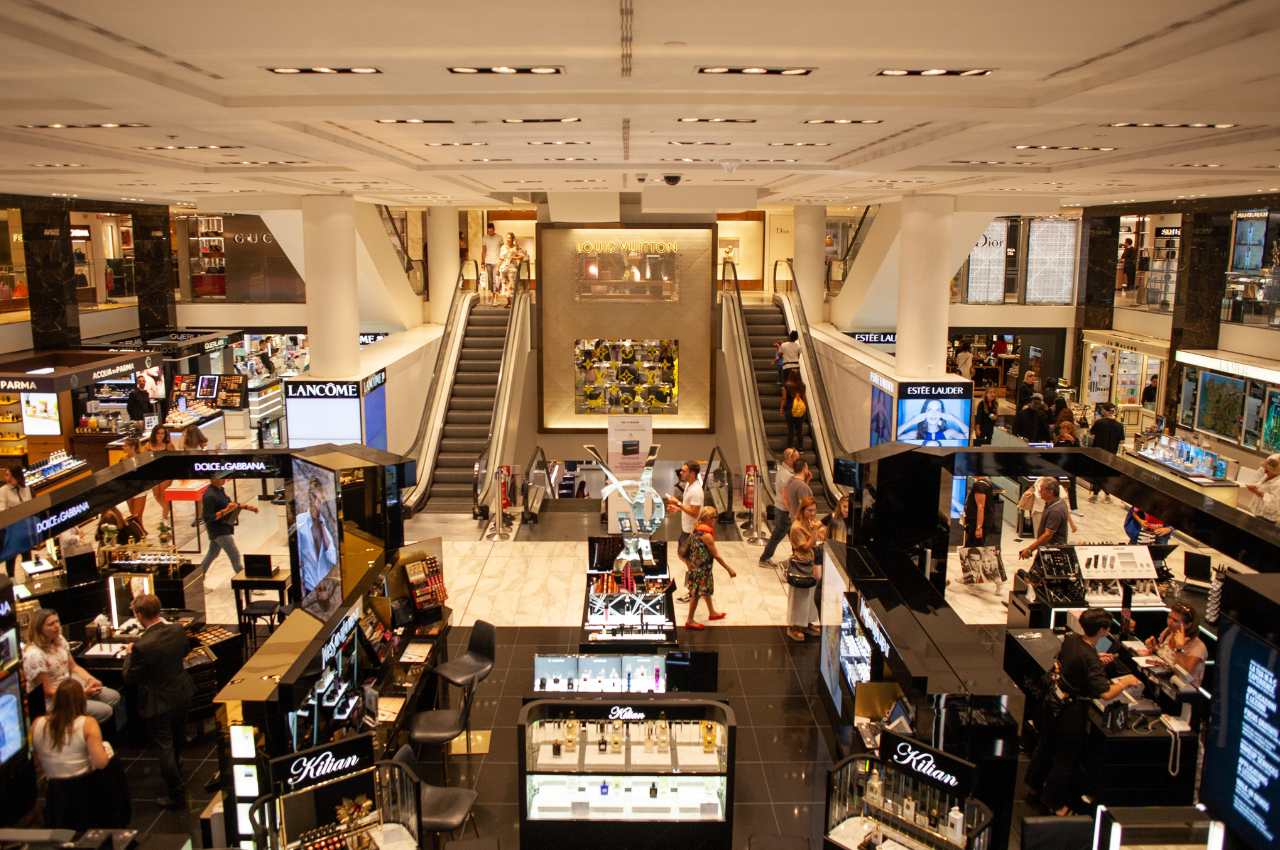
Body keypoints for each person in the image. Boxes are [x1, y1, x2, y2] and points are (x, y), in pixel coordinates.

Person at [1026, 608, 1143, 815]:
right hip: (1071, 712)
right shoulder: (1090, 657)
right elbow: (1106, 693)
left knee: (1045, 745)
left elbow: (1074, 660)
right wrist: (1125, 682)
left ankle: (1034, 786)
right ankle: (1055, 804)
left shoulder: (1073, 640)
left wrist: (1096, 658)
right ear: (1102, 631)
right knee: (1065, 758)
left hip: (1053, 701)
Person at [122, 594, 196, 809]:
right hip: (181, 692)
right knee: (178, 735)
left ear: (139, 616)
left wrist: (128, 654)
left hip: (158, 702)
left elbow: (129, 678)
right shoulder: (177, 629)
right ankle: (177, 765)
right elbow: (185, 652)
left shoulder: (142, 646)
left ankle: (175, 793)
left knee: (164, 746)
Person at [32, 679, 123, 830]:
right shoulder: (87, 723)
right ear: (82, 701)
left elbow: (35, 761)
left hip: (55, 794)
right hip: (83, 792)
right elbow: (101, 763)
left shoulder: (37, 724)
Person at [23, 608, 121, 723]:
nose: (56, 626)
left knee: (113, 697)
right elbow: (47, 692)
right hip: (55, 701)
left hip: (69, 685)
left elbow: (73, 667)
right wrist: (82, 692)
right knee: (106, 711)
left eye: (57, 621)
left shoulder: (59, 639)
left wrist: (91, 679)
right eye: (51, 624)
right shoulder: (34, 655)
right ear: (39, 629)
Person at [683, 505, 736, 629]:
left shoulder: (696, 528)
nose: (716, 520)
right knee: (696, 594)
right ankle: (690, 620)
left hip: (696, 565)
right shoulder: (707, 535)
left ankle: (712, 612)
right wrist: (729, 568)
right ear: (707, 518)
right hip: (701, 568)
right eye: (714, 517)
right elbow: (716, 555)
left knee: (705, 588)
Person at [198, 476, 259, 583]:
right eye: (221, 477)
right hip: (219, 531)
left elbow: (229, 504)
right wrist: (226, 511)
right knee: (235, 556)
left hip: (221, 529)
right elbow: (207, 518)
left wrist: (246, 507)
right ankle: (250, 585)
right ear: (214, 479)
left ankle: (197, 582)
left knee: (212, 554)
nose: (224, 479)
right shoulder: (210, 496)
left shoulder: (219, 490)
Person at [786, 496, 825, 642]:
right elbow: (806, 546)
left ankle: (808, 622)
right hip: (801, 564)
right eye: (810, 510)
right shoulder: (797, 527)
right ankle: (794, 626)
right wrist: (814, 531)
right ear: (803, 510)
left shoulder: (810, 523)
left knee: (810, 596)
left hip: (812, 563)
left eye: (815, 510)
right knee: (799, 598)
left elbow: (822, 537)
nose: (813, 513)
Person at [1143, 603, 1208, 688]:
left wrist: (1180, 648)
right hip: (1159, 682)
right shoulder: (1169, 632)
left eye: (1175, 620)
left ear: (1188, 625)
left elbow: (1182, 677)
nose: (1170, 622)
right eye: (1169, 617)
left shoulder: (1198, 647)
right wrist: (1154, 648)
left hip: (1180, 692)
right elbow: (1164, 656)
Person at [297, 475, 339, 591]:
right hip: (308, 585)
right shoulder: (300, 522)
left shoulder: (326, 524)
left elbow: (333, 559)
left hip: (324, 580)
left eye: (319, 500)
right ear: (309, 496)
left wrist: (321, 525)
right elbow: (298, 558)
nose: (315, 503)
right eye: (313, 497)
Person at [758, 449, 797, 568]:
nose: (798, 460)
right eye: (797, 458)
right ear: (791, 459)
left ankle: (797, 556)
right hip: (784, 511)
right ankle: (764, 559)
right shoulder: (786, 474)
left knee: (794, 534)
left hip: (782, 509)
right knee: (777, 535)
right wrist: (791, 511)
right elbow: (785, 496)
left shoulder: (784, 470)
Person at [666, 460, 704, 573]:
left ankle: (693, 575)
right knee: (683, 555)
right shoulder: (688, 485)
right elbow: (688, 507)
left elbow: (695, 513)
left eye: (684, 471)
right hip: (686, 528)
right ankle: (693, 574)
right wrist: (677, 509)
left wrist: (678, 503)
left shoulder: (696, 491)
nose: (681, 472)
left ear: (692, 474)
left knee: (686, 556)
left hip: (692, 531)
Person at [1019, 478, 1071, 560]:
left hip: (1051, 552)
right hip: (1045, 549)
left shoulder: (1055, 511)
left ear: (1050, 492)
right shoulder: (1057, 502)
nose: (1039, 491)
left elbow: (1048, 535)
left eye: (1042, 490)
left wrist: (1029, 550)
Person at [1088, 403, 1126, 503]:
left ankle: (1095, 495)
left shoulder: (1100, 423)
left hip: (1099, 452)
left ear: (1105, 411)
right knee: (1107, 474)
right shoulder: (1119, 425)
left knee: (1098, 473)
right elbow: (1122, 441)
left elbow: (1091, 433)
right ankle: (1107, 495)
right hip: (1111, 453)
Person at [898, 398, 969, 443]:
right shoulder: (915, 434)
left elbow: (969, 438)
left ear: (941, 414)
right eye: (929, 410)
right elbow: (893, 438)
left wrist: (955, 419)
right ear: (924, 412)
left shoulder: (949, 433)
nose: (933, 414)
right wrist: (910, 422)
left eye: (938, 410)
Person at [1053, 422, 1082, 514]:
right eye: (1061, 429)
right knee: (1055, 484)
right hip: (1059, 465)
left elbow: (1078, 451)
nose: (1061, 431)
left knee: (1072, 487)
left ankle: (1074, 508)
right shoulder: (1058, 439)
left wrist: (1072, 441)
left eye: (1063, 429)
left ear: (1069, 430)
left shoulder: (1075, 440)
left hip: (1070, 466)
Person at [118, 437, 148, 524]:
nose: (123, 447)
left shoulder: (140, 459)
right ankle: (141, 533)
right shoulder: (122, 460)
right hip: (129, 489)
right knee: (133, 516)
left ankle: (141, 535)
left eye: (125, 446)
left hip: (139, 489)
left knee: (138, 515)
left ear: (132, 447)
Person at [963, 474, 998, 549]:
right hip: (979, 520)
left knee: (973, 546)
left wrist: (979, 527)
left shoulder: (979, 486)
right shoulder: (985, 483)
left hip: (978, 522)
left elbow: (981, 507)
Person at [781, 370, 810, 452]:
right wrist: (804, 408)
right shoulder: (802, 385)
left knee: (791, 429)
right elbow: (804, 398)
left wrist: (782, 408)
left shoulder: (786, 385)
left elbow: (784, 398)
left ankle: (790, 447)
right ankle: (800, 448)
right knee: (799, 428)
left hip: (789, 409)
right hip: (799, 409)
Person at [1245, 457, 1280, 522]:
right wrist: (1255, 487)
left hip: (1268, 514)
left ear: (1274, 471)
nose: (1264, 472)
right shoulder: (1268, 475)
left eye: (1267, 470)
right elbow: (1261, 483)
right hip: (1260, 510)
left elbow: (1274, 501)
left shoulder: (1278, 483)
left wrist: (1258, 493)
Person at [147, 423, 174, 507]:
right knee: (157, 495)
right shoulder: (148, 445)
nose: (161, 436)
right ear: (154, 434)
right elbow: (145, 460)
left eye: (162, 433)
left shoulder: (168, 445)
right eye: (158, 433)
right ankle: (166, 510)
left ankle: (165, 515)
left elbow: (175, 459)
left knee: (164, 494)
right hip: (154, 473)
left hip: (166, 472)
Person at [481, 222, 502, 300]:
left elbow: (502, 250)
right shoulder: (485, 238)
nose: (490, 233)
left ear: (494, 229)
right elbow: (484, 250)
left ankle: (495, 298)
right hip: (488, 261)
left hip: (496, 261)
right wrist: (482, 262)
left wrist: (501, 261)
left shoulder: (499, 237)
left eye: (491, 231)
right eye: (488, 231)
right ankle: (493, 295)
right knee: (490, 280)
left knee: (495, 279)